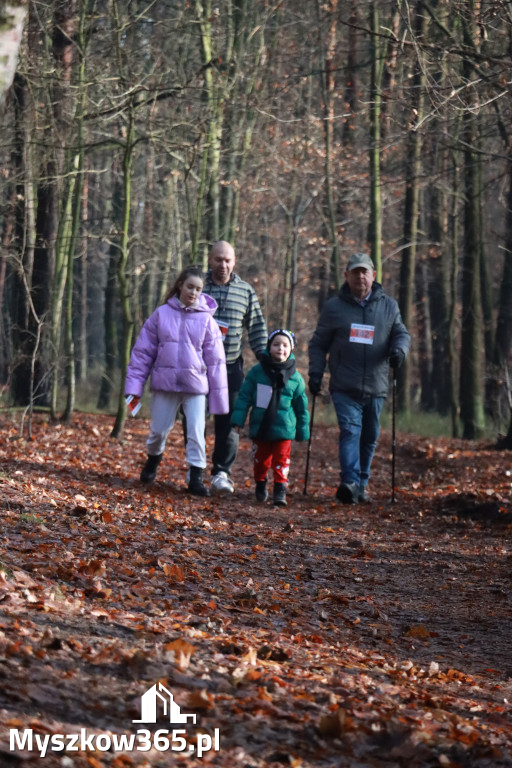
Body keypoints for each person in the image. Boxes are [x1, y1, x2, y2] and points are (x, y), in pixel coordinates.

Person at [308, 252, 410, 504]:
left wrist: (399, 351)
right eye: (355, 272)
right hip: (344, 384)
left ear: (373, 275)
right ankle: (350, 481)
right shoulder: (334, 307)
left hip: (376, 385)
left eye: (364, 272)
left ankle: (361, 484)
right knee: (350, 431)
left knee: (369, 436)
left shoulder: (389, 306)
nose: (360, 277)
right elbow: (318, 344)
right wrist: (315, 373)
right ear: (347, 276)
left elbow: (401, 334)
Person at [124, 265, 229, 496]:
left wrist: (219, 400)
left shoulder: (207, 321)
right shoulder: (161, 314)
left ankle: (196, 477)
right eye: (190, 287)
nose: (193, 292)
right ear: (180, 285)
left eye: (198, 289)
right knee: (158, 431)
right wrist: (134, 387)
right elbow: (142, 354)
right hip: (165, 384)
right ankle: (153, 459)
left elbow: (216, 363)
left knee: (196, 432)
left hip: (195, 386)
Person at [202, 240, 267, 495]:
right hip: (198, 367)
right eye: (218, 259)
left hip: (231, 367)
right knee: (194, 420)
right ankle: (194, 468)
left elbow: (257, 327)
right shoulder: (198, 286)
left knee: (230, 422)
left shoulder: (245, 291)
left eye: (227, 260)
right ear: (210, 260)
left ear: (234, 262)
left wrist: (265, 357)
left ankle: (221, 472)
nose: (223, 265)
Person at [231, 329, 310, 507]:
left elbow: (301, 407)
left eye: (285, 345)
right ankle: (260, 482)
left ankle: (280, 490)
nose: (280, 348)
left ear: (291, 349)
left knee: (282, 460)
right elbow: (244, 397)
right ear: (269, 347)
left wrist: (302, 430)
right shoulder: (257, 372)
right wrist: (238, 419)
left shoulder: (296, 378)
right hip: (261, 426)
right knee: (261, 461)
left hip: (284, 428)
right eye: (276, 344)